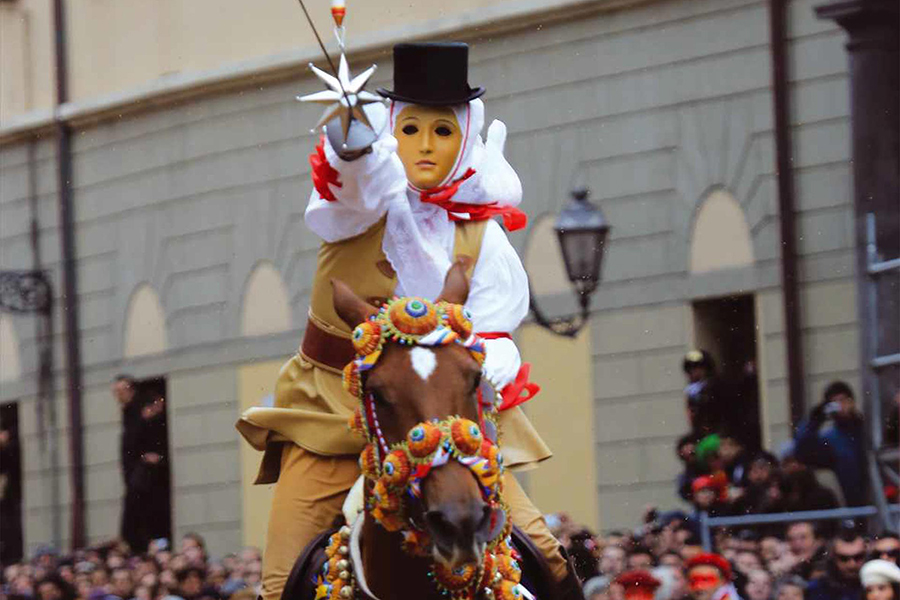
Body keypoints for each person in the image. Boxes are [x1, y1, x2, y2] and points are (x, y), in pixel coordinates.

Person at [236, 41, 580, 600]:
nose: (424, 146)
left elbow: (495, 335)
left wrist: (469, 373)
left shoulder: (481, 234)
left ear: (464, 136)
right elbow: (350, 179)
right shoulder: (363, 205)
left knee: (546, 556)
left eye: (442, 132)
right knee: (278, 587)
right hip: (333, 412)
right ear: (391, 132)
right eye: (410, 129)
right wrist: (351, 141)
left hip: (450, 424)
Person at [793, 381, 868, 506]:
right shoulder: (832, 440)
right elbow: (802, 452)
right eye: (835, 403)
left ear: (852, 401)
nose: (840, 406)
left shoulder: (869, 429)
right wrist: (816, 418)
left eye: (843, 400)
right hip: (857, 506)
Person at [806, 529, 867, 600]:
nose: (852, 564)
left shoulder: (874, 584)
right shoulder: (818, 589)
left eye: (858, 557)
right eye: (844, 558)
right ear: (833, 558)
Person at [682, 351, 725, 437]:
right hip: (702, 433)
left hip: (717, 433)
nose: (693, 372)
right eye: (690, 369)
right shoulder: (692, 391)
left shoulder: (716, 388)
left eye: (697, 368)